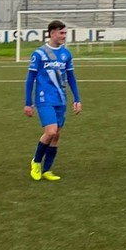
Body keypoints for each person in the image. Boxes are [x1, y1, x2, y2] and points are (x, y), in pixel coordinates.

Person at [24, 20, 81, 181]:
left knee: (56, 136)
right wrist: (28, 103)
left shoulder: (66, 54)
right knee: (51, 132)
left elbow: (71, 77)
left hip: (60, 99)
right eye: (61, 33)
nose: (64, 36)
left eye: (65, 33)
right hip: (44, 99)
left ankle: (47, 170)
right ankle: (36, 162)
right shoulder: (39, 54)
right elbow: (30, 79)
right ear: (52, 33)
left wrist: (77, 99)